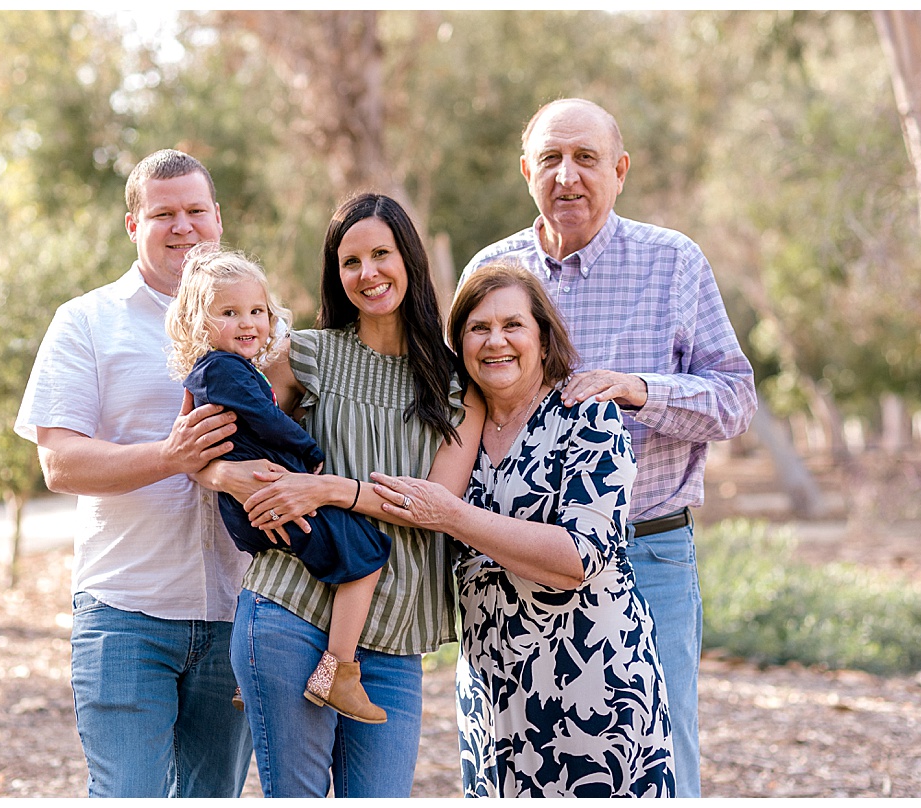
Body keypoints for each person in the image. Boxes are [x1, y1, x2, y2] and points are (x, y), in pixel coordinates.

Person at [460, 98, 757, 797]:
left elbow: (737, 399)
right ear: (526, 170)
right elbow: (461, 407)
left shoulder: (672, 263)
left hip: (645, 552)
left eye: (587, 158)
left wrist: (639, 390)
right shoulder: (493, 267)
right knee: (514, 759)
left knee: (655, 758)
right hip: (508, 570)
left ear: (619, 170)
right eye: (552, 159)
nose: (569, 175)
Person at [194, 192, 482, 797]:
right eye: (350, 262)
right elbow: (204, 434)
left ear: (410, 258)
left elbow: (436, 507)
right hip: (290, 611)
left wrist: (326, 488)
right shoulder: (306, 354)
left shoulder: (458, 382)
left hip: (394, 635)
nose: (367, 273)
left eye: (381, 254)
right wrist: (223, 477)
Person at [372, 263, 675, 797]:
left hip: (595, 688)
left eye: (512, 325)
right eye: (478, 328)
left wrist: (452, 515)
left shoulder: (587, 416)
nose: (496, 342)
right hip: (495, 698)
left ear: (541, 335)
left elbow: (580, 558)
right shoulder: (458, 424)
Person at [13, 149, 253, 797]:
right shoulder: (87, 322)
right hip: (126, 614)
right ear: (132, 225)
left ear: (218, 218)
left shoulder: (260, 323)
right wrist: (169, 457)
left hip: (240, 613)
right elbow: (59, 460)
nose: (183, 227)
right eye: (163, 213)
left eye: (196, 211)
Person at [164, 243, 390, 724]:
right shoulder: (223, 369)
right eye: (229, 312)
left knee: (340, 555)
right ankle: (340, 672)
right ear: (199, 324)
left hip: (253, 499)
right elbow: (267, 420)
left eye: (257, 311)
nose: (248, 323)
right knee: (368, 552)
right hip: (268, 493)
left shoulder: (215, 372)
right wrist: (311, 453)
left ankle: (261, 674)